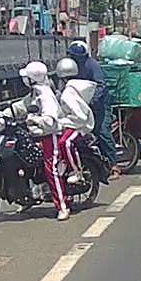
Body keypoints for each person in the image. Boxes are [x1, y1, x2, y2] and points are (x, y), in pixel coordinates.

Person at [3, 61, 71, 220]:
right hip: (36, 135)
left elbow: (50, 120)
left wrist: (35, 120)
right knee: (22, 161)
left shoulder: (45, 95)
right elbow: (22, 106)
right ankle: (27, 198)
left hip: (50, 136)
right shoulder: (35, 92)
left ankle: (62, 207)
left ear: (32, 79)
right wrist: (4, 114)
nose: (24, 80)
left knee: (51, 169)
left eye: (26, 77)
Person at [66, 41, 121, 177]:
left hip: (99, 105)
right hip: (80, 105)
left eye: (76, 57)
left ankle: (114, 165)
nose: (75, 59)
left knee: (102, 132)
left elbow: (101, 85)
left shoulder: (92, 65)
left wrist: (92, 100)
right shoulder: (70, 66)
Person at [53, 57, 96, 187]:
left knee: (65, 143)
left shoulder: (68, 93)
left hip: (80, 126)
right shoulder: (72, 89)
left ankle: (76, 171)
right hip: (75, 123)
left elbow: (79, 117)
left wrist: (63, 122)